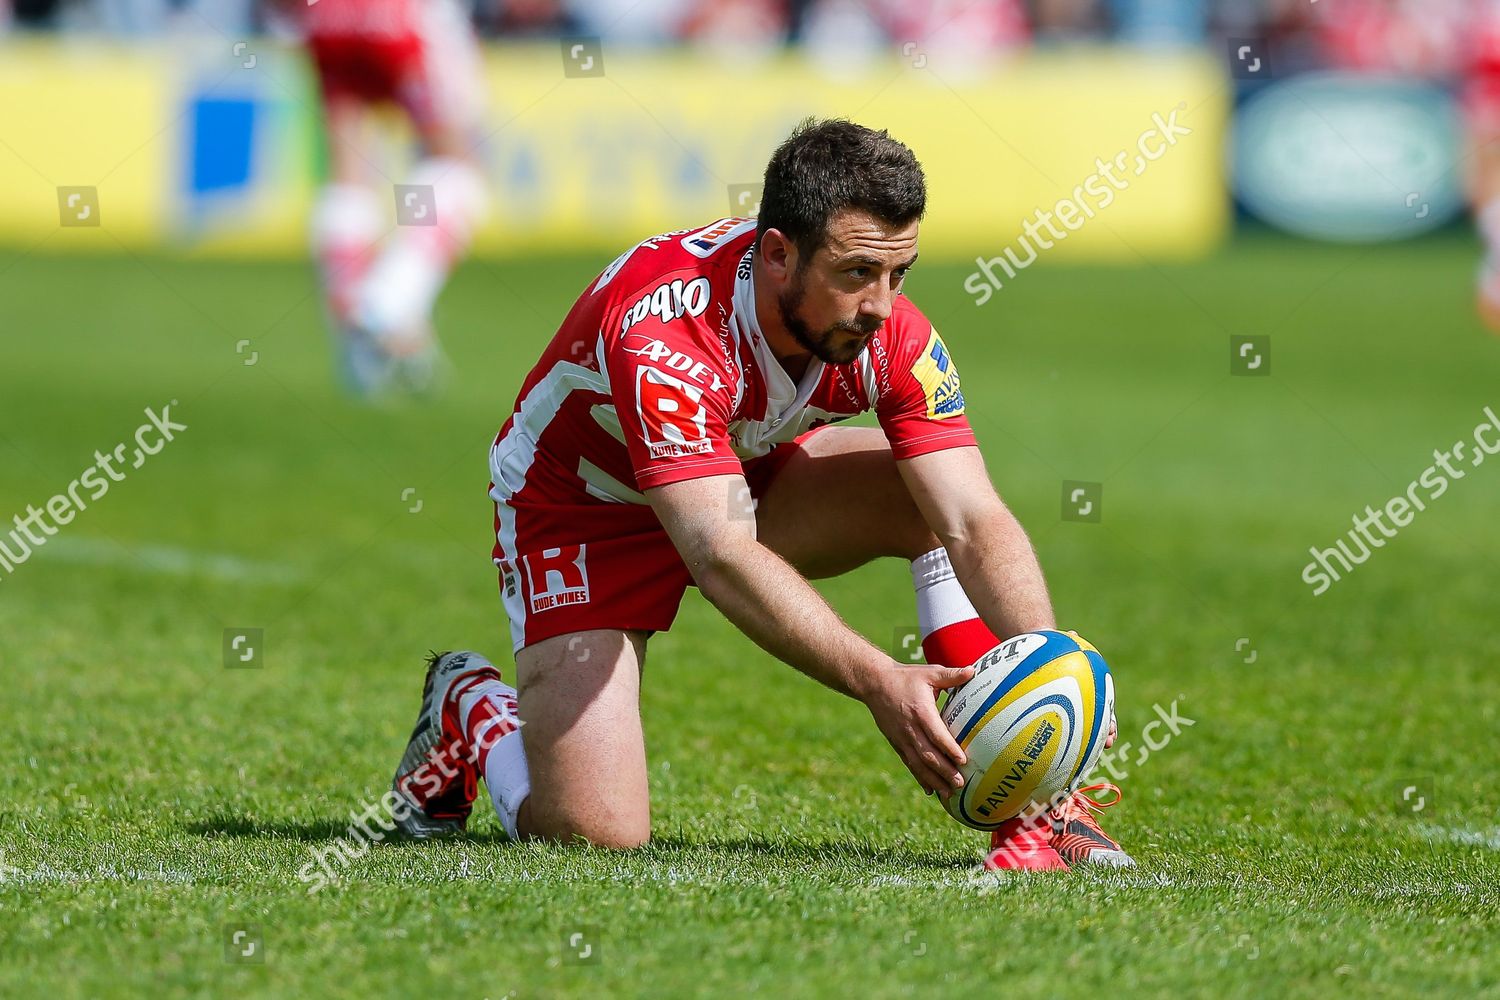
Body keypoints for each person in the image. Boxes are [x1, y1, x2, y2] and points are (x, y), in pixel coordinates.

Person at [390, 119, 1130, 870]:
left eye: (898, 273)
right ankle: (474, 710)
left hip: (736, 476)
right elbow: (720, 554)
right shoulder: (666, 335)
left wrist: (1052, 665)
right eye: (856, 273)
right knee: (596, 833)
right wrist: (880, 679)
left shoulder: (889, 333)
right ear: (778, 254)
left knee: (924, 499)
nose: (880, 305)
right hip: (585, 511)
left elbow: (973, 518)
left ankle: (1040, 817)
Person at [296, 0, 490, 394]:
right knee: (459, 163)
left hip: (326, 15)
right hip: (404, 16)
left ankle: (356, 340)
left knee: (349, 169)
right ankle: (390, 303)